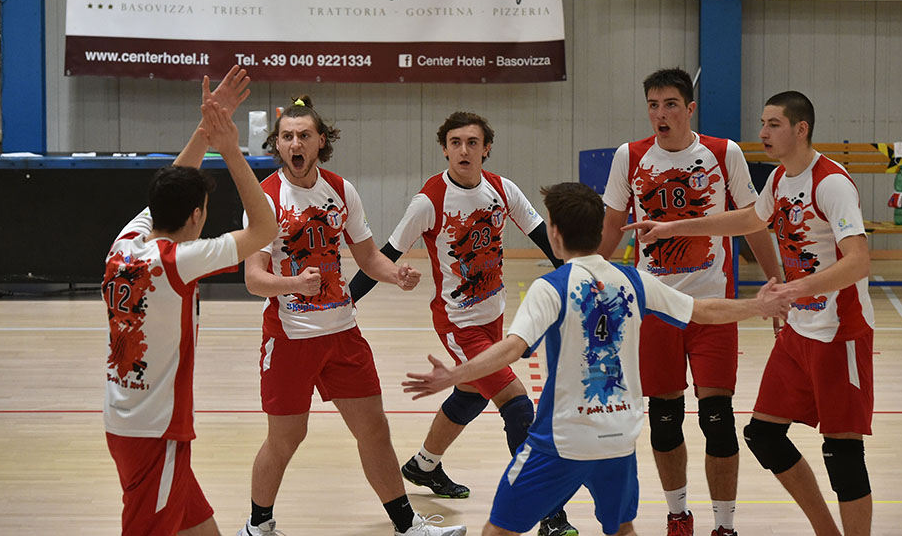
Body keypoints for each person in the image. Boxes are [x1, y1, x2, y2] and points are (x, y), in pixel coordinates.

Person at [402, 182, 791, 536]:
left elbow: (512, 348)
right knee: (622, 529)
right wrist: (757, 305)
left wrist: (455, 373)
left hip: (561, 440)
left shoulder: (551, 287)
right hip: (618, 439)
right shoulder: (633, 280)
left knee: (498, 530)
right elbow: (703, 310)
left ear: (555, 234)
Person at [625, 91, 875, 536]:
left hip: (840, 333)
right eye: (763, 123)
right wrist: (672, 228)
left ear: (801, 129)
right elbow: (746, 220)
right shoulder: (779, 180)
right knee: (763, 435)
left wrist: (794, 288)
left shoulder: (831, 183)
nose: (763, 132)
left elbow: (858, 261)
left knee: (843, 453)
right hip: (799, 331)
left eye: (774, 124)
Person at [237, 97, 465, 536]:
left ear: (321, 141)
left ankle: (407, 525)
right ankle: (257, 525)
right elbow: (253, 278)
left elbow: (368, 257)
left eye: (304, 135)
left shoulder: (341, 190)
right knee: (286, 438)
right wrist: (293, 284)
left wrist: (395, 274)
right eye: (287, 137)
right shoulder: (264, 198)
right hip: (290, 338)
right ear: (277, 144)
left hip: (343, 333)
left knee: (374, 430)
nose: (296, 144)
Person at [348, 112, 575, 536]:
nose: (464, 150)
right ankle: (549, 514)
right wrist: (347, 300)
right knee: (518, 406)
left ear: (486, 149)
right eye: (455, 143)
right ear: (445, 149)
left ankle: (423, 465)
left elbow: (543, 237)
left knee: (470, 393)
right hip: (459, 323)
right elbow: (385, 254)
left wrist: (577, 274)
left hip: (494, 315)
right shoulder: (429, 201)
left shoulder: (502, 190)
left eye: (472, 142)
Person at [597, 68, 783, 536]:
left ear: (690, 108)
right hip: (655, 308)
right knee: (664, 421)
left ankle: (725, 526)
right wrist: (587, 278)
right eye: (653, 105)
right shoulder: (629, 156)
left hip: (713, 306)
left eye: (671, 105)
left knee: (718, 421)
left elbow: (754, 223)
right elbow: (612, 226)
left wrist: (777, 282)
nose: (661, 114)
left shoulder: (723, 153)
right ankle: (678, 516)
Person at [103, 66, 276, 536]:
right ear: (197, 216)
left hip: (126, 420)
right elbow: (266, 229)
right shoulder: (179, 261)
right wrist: (230, 149)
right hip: (156, 432)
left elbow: (174, 184)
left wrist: (207, 127)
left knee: (202, 529)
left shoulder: (124, 244)